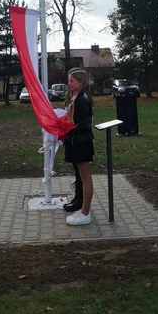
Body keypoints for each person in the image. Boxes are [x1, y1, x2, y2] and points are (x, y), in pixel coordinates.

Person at [63, 68, 94, 226]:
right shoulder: (76, 96)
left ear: (80, 82)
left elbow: (82, 124)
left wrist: (68, 127)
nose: (69, 83)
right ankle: (83, 209)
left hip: (82, 142)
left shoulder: (83, 99)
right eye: (69, 80)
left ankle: (85, 213)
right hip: (77, 141)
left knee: (86, 178)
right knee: (82, 178)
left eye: (72, 81)